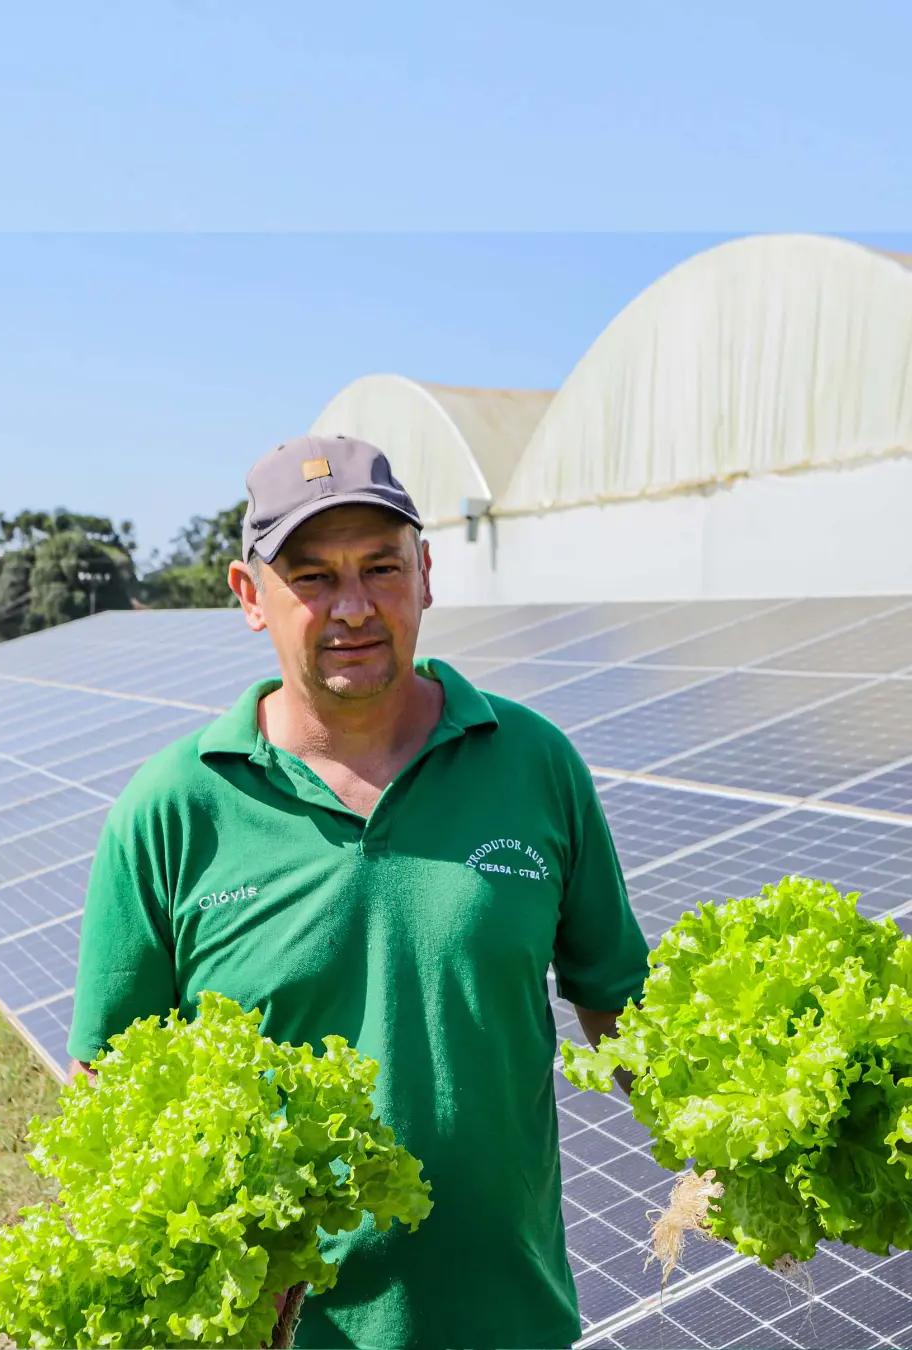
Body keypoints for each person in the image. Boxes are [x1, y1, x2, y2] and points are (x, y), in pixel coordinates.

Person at [67, 434, 650, 1350]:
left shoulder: (535, 764)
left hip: (513, 1322)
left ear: (426, 572)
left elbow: (621, 1006)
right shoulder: (174, 810)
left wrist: (739, 1122)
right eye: (311, 577)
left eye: (380, 567)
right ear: (248, 596)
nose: (352, 607)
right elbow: (107, 1101)